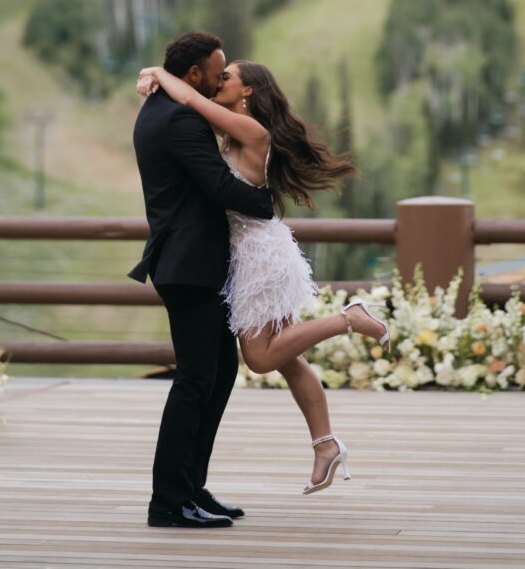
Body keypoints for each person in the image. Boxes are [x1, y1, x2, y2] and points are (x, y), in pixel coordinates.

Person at [137, 57, 390, 496]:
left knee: (260, 358)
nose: (220, 82)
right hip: (254, 252)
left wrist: (158, 73)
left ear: (248, 90)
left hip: (258, 256)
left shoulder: (251, 130)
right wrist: (153, 75)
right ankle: (326, 445)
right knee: (288, 357)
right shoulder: (235, 130)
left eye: (227, 78)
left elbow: (191, 98)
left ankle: (348, 318)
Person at [129, 31, 275, 529]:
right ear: (193, 74)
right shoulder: (181, 119)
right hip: (189, 265)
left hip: (195, 263)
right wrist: (266, 204)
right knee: (195, 380)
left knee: (219, 372)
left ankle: (192, 488)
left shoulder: (160, 109)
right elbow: (218, 186)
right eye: (215, 75)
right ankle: (169, 502)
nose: (217, 83)